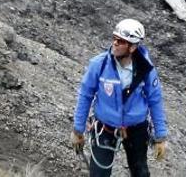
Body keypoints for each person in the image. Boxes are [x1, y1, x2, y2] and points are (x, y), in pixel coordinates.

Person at [72, 19, 169, 176]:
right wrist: (78, 130)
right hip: (105, 127)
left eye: (121, 41)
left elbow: (155, 100)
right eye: (114, 38)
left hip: (136, 128)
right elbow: (85, 95)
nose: (115, 44)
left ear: (132, 47)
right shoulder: (99, 65)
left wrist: (161, 136)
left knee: (141, 172)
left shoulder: (146, 69)